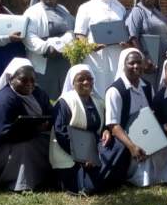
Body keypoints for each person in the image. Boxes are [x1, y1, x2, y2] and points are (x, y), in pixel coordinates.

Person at [50, 64, 131, 194]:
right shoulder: (65, 102)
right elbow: (60, 133)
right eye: (81, 79)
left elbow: (105, 123)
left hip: (94, 148)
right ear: (73, 83)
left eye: (89, 78)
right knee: (89, 178)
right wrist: (82, 157)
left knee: (119, 145)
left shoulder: (97, 100)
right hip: (72, 154)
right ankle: (88, 185)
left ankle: (102, 181)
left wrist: (105, 130)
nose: (86, 82)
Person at [104, 48, 167, 187]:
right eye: (131, 63)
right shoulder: (115, 91)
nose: (136, 66)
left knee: (164, 144)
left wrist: (163, 128)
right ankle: (137, 179)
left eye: (139, 62)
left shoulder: (147, 87)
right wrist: (132, 146)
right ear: (123, 65)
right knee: (138, 151)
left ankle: (160, 178)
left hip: (145, 132)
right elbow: (113, 126)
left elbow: (152, 114)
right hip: (125, 136)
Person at [0, 58, 53, 191]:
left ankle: (49, 178)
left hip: (37, 137)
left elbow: (51, 114)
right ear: (11, 79)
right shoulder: (4, 100)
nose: (29, 84)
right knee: (26, 148)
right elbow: (1, 133)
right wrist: (33, 130)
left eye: (33, 80)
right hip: (8, 147)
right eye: (23, 80)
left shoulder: (38, 93)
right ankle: (22, 183)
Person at [74, 0, 128, 97]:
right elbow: (79, 34)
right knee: (98, 87)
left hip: (116, 53)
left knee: (116, 86)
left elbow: (124, 29)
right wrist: (91, 47)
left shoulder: (119, 7)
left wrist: (124, 41)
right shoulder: (86, 7)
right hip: (96, 55)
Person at [23, 0, 76, 100]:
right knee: (46, 96)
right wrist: (47, 48)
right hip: (45, 60)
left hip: (64, 60)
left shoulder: (63, 9)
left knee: (64, 95)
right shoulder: (32, 12)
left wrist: (62, 45)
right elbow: (29, 37)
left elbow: (71, 31)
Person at [126, 0, 167, 85]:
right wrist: (143, 60)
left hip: (163, 60)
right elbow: (133, 37)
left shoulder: (158, 13)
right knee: (150, 89)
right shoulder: (137, 11)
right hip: (150, 61)